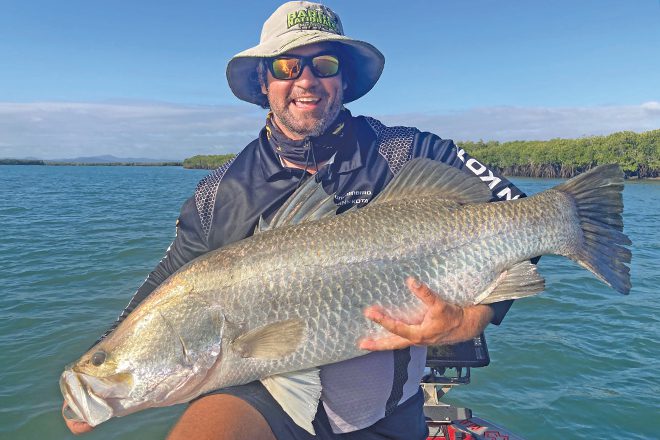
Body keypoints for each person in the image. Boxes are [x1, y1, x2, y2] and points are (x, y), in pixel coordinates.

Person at [63, 2, 526, 439]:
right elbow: (161, 291)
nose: (306, 81)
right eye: (287, 66)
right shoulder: (220, 194)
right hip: (265, 405)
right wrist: (104, 365)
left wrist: (472, 318)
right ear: (264, 81)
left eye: (324, 65)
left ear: (343, 81)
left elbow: (523, 215)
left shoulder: (409, 152)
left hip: (389, 410)